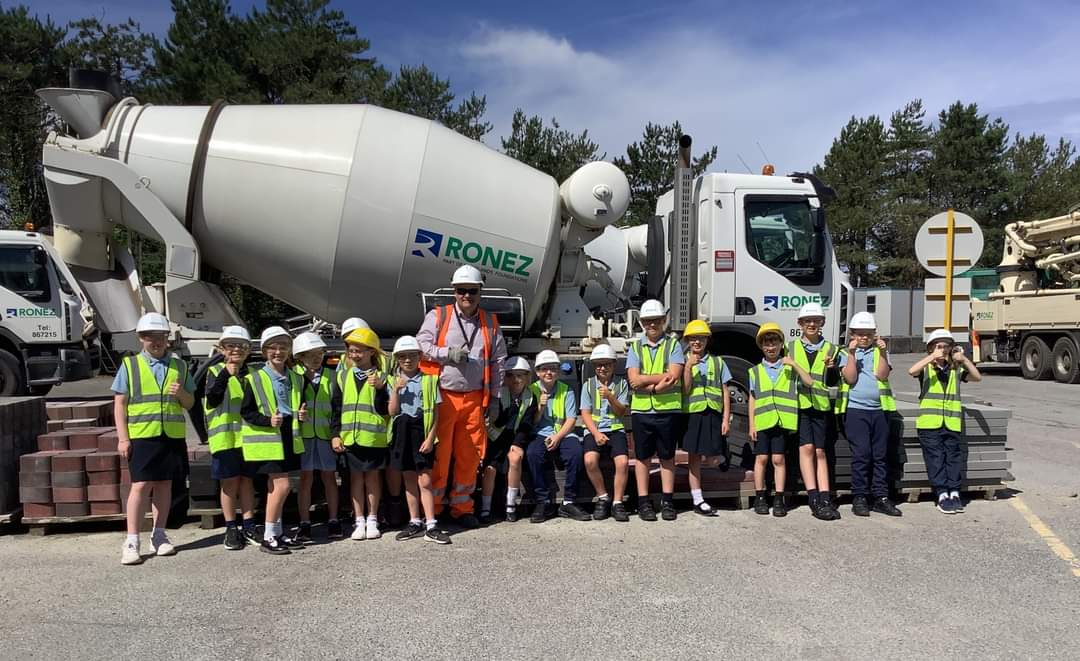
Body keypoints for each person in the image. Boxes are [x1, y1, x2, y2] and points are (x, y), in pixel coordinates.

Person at [417, 265, 507, 528]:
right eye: (461, 291)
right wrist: (447, 354)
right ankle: (433, 509)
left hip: (475, 398)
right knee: (440, 456)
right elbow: (420, 346)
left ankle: (462, 507)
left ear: (480, 291)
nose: (466, 295)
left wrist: (496, 397)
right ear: (454, 292)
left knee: (469, 456)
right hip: (443, 397)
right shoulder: (438, 316)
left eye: (472, 290)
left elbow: (499, 361)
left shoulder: (490, 322)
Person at [113, 312, 195, 566]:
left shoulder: (179, 365)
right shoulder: (129, 365)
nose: (156, 341)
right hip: (142, 435)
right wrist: (123, 438)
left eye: (161, 336)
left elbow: (190, 403)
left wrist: (180, 392)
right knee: (140, 486)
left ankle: (159, 535)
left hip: (170, 436)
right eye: (150, 336)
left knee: (164, 485)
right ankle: (132, 540)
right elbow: (120, 404)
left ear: (167, 339)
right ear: (141, 338)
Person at [241, 326, 306, 555]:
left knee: (274, 487)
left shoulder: (295, 378)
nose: (278, 352)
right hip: (269, 438)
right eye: (273, 348)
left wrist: (299, 415)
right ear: (264, 351)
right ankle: (269, 535)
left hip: (288, 434)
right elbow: (247, 412)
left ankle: (277, 532)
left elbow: (296, 403)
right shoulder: (254, 378)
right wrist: (268, 421)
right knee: (283, 485)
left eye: (283, 347)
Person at [908, 329, 982, 514]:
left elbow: (977, 377)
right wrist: (932, 356)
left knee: (953, 458)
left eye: (946, 346)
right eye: (938, 346)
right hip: (929, 424)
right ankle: (941, 494)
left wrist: (963, 359)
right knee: (936, 460)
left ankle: (954, 493)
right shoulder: (926, 368)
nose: (943, 350)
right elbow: (912, 371)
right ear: (931, 348)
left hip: (952, 422)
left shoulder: (956, 370)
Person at [837, 312, 903, 517]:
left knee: (880, 455)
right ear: (852, 334)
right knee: (861, 455)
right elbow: (850, 379)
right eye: (860, 334)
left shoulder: (879, 352)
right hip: (856, 410)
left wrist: (883, 353)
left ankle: (881, 497)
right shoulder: (844, 352)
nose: (864, 338)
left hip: (879, 410)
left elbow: (882, 375)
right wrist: (851, 354)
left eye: (868, 334)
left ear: (875, 334)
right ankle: (859, 496)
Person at [387, 336, 450, 544]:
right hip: (401, 431)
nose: (407, 360)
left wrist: (431, 438)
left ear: (419, 357)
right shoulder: (392, 381)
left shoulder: (429, 380)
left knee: (425, 480)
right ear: (397, 359)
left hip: (421, 431)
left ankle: (431, 524)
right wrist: (395, 390)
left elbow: (436, 413)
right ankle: (415, 521)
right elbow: (392, 411)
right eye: (403, 357)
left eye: (412, 356)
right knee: (408, 479)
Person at [625, 299, 684, 521]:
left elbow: (675, 374)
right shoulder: (636, 346)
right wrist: (659, 384)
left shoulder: (673, 345)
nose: (652, 325)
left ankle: (667, 501)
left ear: (663, 321)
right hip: (642, 412)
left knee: (667, 457)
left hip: (668, 411)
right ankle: (643, 502)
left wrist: (647, 383)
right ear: (642, 323)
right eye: (648, 321)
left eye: (656, 321)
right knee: (643, 458)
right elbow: (632, 379)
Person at [331, 327, 390, 541]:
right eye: (351, 351)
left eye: (360, 351)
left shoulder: (383, 377)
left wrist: (382, 389)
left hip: (373, 438)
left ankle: (373, 518)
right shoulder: (342, 377)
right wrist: (335, 434)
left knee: (372, 478)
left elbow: (386, 410)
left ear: (372, 352)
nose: (355, 355)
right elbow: (336, 409)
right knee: (355, 479)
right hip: (350, 437)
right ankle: (359, 520)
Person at [748, 323, 813, 517]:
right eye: (767, 343)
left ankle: (779, 497)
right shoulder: (755, 371)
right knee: (761, 459)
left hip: (781, 422)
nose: (770, 347)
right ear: (761, 346)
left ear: (780, 344)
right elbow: (753, 397)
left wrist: (793, 363)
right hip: (763, 421)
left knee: (778, 459)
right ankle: (760, 496)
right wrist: (752, 424)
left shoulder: (789, 369)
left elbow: (809, 382)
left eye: (774, 342)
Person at [203, 325, 257, 550]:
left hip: (249, 438)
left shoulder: (253, 374)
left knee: (247, 482)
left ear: (248, 350)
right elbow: (213, 399)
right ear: (222, 349)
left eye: (241, 346)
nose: (236, 350)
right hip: (225, 438)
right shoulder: (214, 372)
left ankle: (249, 524)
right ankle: (231, 527)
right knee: (229, 483)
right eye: (231, 346)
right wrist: (227, 373)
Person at [787, 303, 841, 521]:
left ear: (822, 323)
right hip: (799, 405)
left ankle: (825, 496)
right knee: (806, 449)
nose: (811, 324)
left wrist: (832, 369)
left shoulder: (832, 349)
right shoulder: (790, 348)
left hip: (820, 405)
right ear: (800, 324)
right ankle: (813, 496)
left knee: (820, 451)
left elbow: (835, 382)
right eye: (807, 321)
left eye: (816, 321)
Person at [526, 350, 590, 523]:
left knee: (576, 453)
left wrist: (557, 437)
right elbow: (531, 422)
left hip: (564, 432)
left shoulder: (566, 390)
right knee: (532, 454)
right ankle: (543, 501)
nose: (549, 372)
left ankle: (569, 501)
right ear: (537, 372)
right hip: (540, 433)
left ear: (558, 371)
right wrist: (539, 407)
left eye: (553, 369)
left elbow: (571, 419)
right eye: (544, 369)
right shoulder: (530, 391)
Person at [290, 331, 342, 542]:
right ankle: (304, 523)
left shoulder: (332, 376)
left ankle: (333, 520)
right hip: (303, 436)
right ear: (299, 357)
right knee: (305, 479)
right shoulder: (293, 376)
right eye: (309, 354)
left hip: (325, 436)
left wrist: (336, 434)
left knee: (329, 478)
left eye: (319, 353)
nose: (315, 357)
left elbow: (337, 408)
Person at [680, 320, 732, 517]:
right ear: (688, 341)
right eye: (693, 338)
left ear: (706, 340)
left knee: (712, 459)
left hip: (713, 412)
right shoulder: (684, 361)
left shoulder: (718, 362)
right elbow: (685, 390)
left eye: (700, 338)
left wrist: (726, 419)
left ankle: (722, 455)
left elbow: (725, 391)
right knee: (694, 456)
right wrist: (687, 368)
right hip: (693, 413)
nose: (697, 342)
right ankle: (697, 498)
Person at [579, 344, 631, 521]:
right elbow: (585, 413)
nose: (602, 368)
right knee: (589, 460)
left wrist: (610, 396)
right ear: (594, 367)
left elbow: (622, 411)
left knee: (623, 462)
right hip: (594, 430)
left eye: (606, 364)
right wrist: (596, 433)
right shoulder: (588, 386)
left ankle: (617, 502)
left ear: (613, 365)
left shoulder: (622, 384)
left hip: (616, 429)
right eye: (598, 365)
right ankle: (603, 497)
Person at [480, 357, 535, 524]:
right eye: (511, 375)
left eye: (520, 375)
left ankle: (510, 505)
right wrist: (510, 407)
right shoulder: (498, 395)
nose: (516, 380)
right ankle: (485, 508)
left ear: (527, 377)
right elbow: (496, 422)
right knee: (490, 469)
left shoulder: (530, 397)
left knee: (515, 458)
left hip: (515, 438)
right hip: (494, 439)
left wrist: (517, 444)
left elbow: (527, 423)